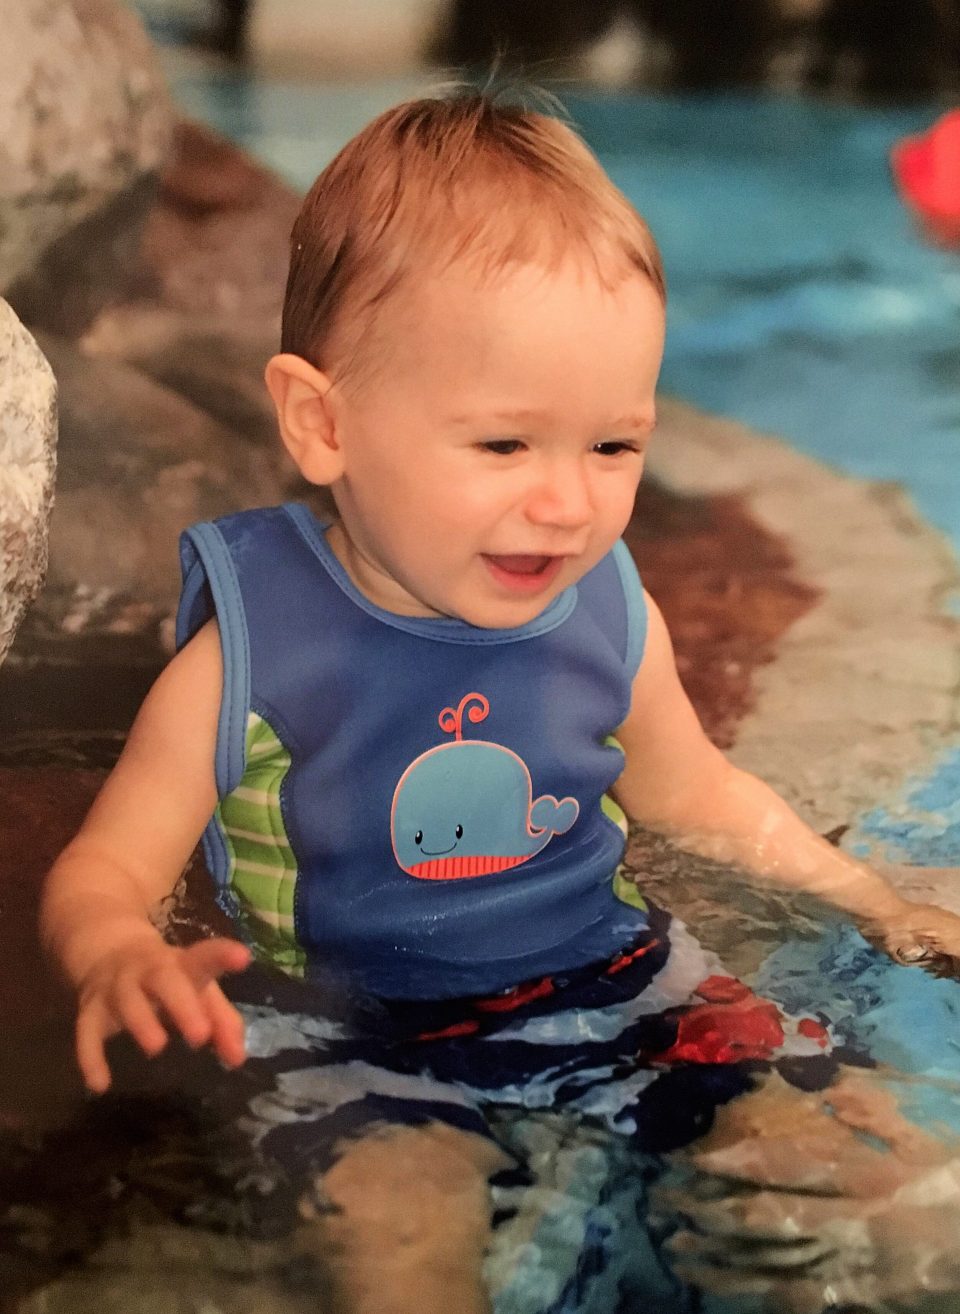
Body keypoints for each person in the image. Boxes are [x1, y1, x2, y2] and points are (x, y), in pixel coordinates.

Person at [40, 92, 960, 1313]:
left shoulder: (608, 607)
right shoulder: (252, 652)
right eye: (504, 447)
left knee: (874, 1182)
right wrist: (111, 951)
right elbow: (107, 865)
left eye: (614, 447)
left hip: (622, 983)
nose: (569, 504)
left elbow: (699, 796)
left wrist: (871, 899)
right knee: (399, 1240)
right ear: (324, 423)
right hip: (355, 1031)